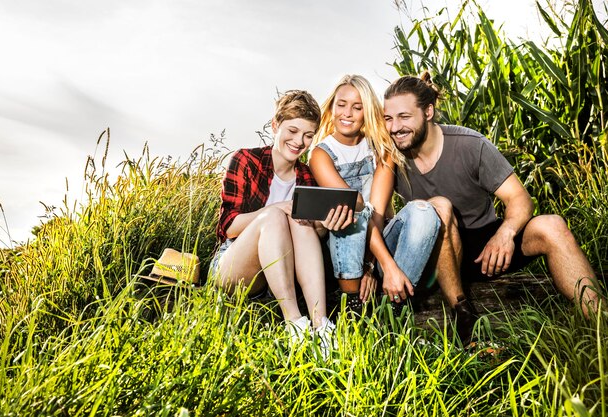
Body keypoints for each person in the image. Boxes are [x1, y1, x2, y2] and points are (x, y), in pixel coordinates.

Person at [374, 71, 599, 341]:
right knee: (440, 206)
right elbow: (381, 216)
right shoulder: (392, 157)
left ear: (428, 112)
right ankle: (465, 319)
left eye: (404, 117)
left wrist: (505, 234)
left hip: (485, 249)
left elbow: (520, 199)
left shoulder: (471, 145)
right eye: (388, 118)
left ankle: (600, 322)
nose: (395, 127)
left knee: (552, 226)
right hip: (436, 256)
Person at [211, 90, 349, 346]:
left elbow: (312, 237)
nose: (299, 141)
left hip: (280, 267)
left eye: (308, 135)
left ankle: (321, 325)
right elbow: (229, 227)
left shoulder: (306, 176)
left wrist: (321, 225)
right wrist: (276, 208)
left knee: (301, 218)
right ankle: (295, 323)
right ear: (275, 125)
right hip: (236, 265)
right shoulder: (246, 160)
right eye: (292, 131)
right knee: (277, 215)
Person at [309, 74, 441, 309]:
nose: (347, 113)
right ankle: (353, 307)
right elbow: (356, 208)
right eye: (341, 105)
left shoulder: (381, 150)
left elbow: (377, 214)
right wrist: (381, 264)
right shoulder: (321, 155)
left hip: (378, 246)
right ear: (332, 107)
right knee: (349, 208)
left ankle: (396, 302)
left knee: (424, 211)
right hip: (342, 253)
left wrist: (372, 266)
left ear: (367, 111)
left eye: (357, 107)